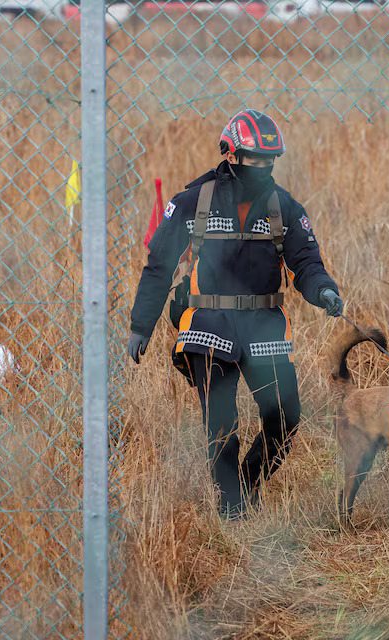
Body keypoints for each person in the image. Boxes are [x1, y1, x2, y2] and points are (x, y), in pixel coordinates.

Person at [126, 109, 344, 519]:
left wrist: (324, 291)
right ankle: (232, 510)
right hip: (208, 323)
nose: (263, 167)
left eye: (270, 160)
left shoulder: (286, 208)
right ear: (230, 153)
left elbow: (307, 263)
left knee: (286, 418)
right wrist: (142, 325)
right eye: (254, 158)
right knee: (222, 425)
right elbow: (160, 264)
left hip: (264, 324)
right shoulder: (193, 201)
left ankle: (247, 485)